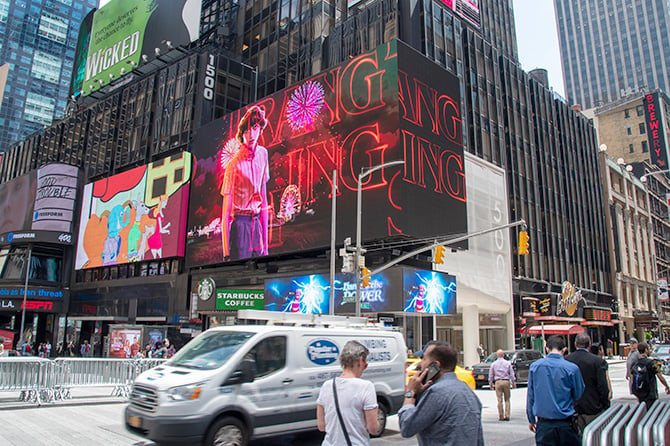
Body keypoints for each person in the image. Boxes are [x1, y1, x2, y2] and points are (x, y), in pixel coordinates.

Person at [399, 340, 484, 445]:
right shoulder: (467, 392)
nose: (421, 364)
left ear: (435, 365)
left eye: (424, 359)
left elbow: (407, 428)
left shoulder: (436, 393)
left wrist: (410, 393)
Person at [221, 105, 270, 261]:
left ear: (260, 130)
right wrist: (226, 252)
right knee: (242, 275)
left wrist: (266, 246)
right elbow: (226, 213)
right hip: (240, 225)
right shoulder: (234, 165)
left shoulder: (263, 154)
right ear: (241, 134)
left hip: (257, 224)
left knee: (261, 271)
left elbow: (264, 202)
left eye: (255, 128)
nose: (251, 134)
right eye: (247, 130)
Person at [316, 340, 378, 445]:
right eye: (365, 364)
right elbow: (373, 429)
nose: (364, 368)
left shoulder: (327, 386)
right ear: (360, 361)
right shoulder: (366, 386)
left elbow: (322, 426)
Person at [526, 335, 584, 446]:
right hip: (566, 423)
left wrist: (531, 418)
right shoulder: (572, 368)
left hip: (544, 424)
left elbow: (531, 396)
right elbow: (578, 393)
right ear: (564, 350)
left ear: (547, 349)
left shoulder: (535, 367)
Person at [565, 334, 610, 433]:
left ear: (575, 344)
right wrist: (605, 405)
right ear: (589, 345)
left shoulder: (567, 360)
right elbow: (602, 386)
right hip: (593, 408)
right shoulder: (597, 361)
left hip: (573, 408)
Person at [631, 341, 670, 408]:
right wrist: (667, 386)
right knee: (652, 413)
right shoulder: (651, 363)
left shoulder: (635, 364)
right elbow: (660, 377)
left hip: (640, 394)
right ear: (646, 350)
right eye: (649, 349)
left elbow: (632, 379)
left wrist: (636, 392)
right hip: (650, 394)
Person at [488, 349, 516, 421]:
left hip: (498, 382)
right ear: (503, 355)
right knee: (507, 399)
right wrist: (513, 382)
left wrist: (490, 383)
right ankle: (507, 415)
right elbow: (512, 374)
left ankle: (501, 415)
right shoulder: (507, 363)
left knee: (499, 400)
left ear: (497, 355)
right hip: (506, 381)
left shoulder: (494, 364)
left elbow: (491, 374)